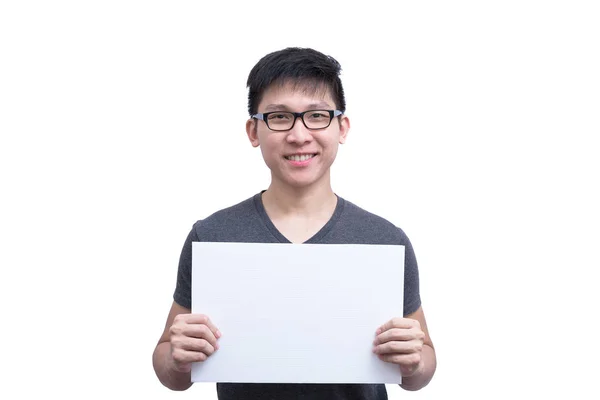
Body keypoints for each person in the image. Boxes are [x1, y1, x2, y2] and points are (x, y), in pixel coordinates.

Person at [152, 47, 437, 399]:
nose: (300, 135)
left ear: (342, 127)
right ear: (253, 131)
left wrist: (415, 361)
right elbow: (171, 368)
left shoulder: (383, 240)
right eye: (279, 117)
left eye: (317, 116)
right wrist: (177, 358)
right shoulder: (212, 237)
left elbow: (422, 367)